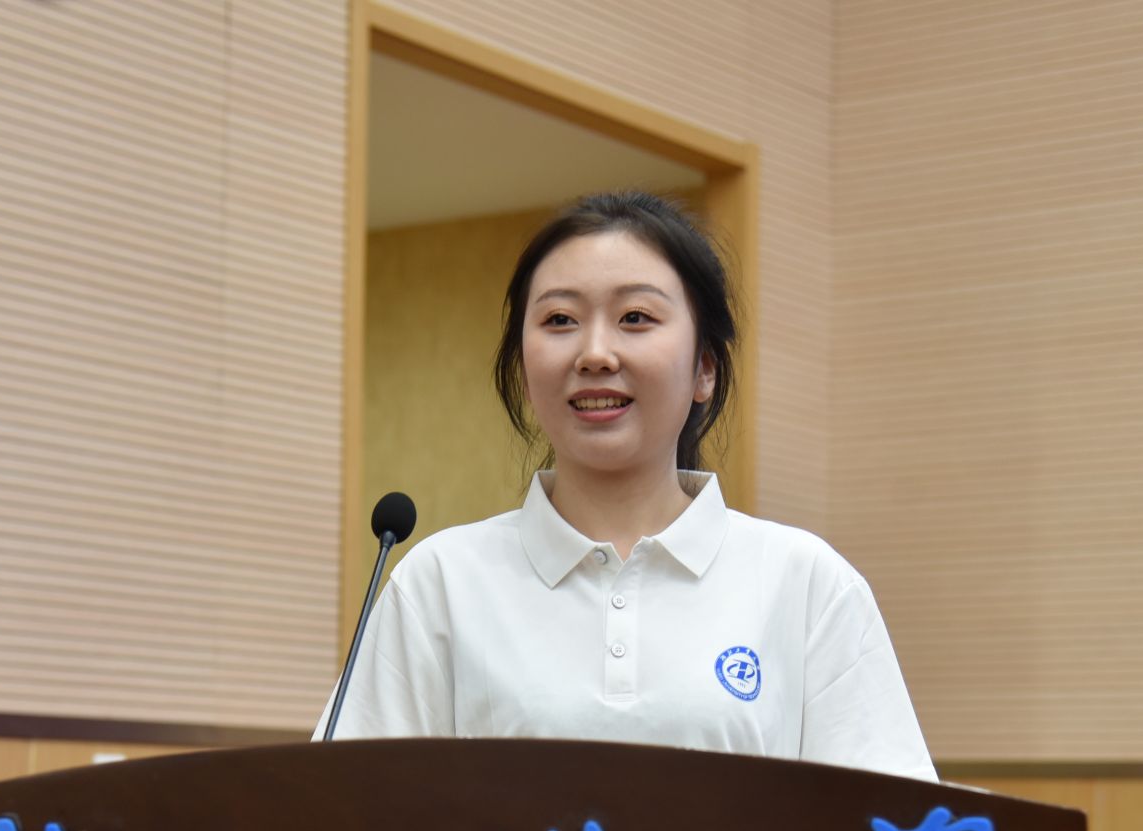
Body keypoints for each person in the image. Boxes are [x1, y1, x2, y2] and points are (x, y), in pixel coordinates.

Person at [323, 191, 936, 782]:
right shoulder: (439, 582)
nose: (595, 353)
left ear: (705, 367)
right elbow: (349, 814)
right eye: (559, 320)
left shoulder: (808, 585)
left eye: (635, 318)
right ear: (524, 369)